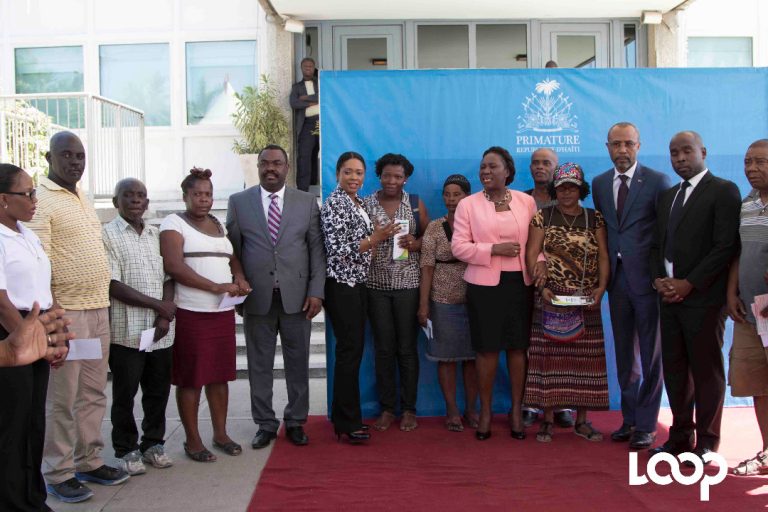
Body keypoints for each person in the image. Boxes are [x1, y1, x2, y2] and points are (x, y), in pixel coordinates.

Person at [27, 131, 130, 503]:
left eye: (80, 156)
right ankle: (58, 471)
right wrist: (53, 317)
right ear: (50, 157)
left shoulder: (80, 196)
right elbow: (41, 260)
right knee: (62, 397)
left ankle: (89, 460)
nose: (75, 162)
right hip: (66, 313)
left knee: (92, 392)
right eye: (67, 155)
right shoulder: (43, 201)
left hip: (96, 309)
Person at [649, 131, 741, 464]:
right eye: (674, 153)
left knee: (706, 371)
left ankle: (708, 442)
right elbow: (658, 245)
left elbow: (725, 247)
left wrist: (689, 284)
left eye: (687, 151)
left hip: (703, 299)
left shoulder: (723, 191)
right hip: (668, 298)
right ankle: (679, 436)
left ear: (703, 151)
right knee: (674, 371)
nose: (680, 158)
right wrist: (660, 280)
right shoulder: (667, 196)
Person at [226, 144, 325, 449]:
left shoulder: (307, 202)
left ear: (287, 167)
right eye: (265, 163)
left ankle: (296, 421)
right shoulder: (239, 202)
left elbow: (317, 251)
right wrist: (239, 284)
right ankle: (265, 424)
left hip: (297, 299)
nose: (271, 168)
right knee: (259, 364)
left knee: (298, 363)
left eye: (277, 163)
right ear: (257, 167)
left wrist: (316, 292)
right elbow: (233, 250)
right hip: (257, 298)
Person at [160, 168, 250, 463]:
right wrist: (214, 286)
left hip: (221, 313)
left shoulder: (217, 224)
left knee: (219, 376)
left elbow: (233, 258)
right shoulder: (174, 223)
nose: (203, 199)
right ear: (185, 196)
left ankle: (220, 434)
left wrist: (239, 279)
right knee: (191, 378)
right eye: (197, 194)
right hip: (191, 313)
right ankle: (193, 439)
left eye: (208, 194)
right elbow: (174, 266)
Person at [592, 122, 670, 450]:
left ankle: (648, 424)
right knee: (625, 353)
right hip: (617, 280)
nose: (622, 150)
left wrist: (662, 274)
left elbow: (666, 232)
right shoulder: (598, 184)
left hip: (648, 280)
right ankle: (629, 418)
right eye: (616, 144)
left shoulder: (657, 181)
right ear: (607, 147)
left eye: (628, 144)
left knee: (652, 355)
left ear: (638, 146)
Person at [452, 146, 538, 441]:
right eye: (482, 167)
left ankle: (516, 411)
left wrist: (540, 268)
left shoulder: (526, 202)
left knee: (517, 348)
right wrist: (493, 249)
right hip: (483, 287)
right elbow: (459, 247)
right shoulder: (468, 205)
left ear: (508, 171)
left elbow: (534, 246)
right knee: (487, 349)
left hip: (520, 285)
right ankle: (486, 412)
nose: (485, 172)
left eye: (492, 167)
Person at [524, 162, 610, 443]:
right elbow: (531, 253)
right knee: (548, 361)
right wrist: (543, 287)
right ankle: (547, 420)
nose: (566, 193)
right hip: (550, 296)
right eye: (561, 188)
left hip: (586, 299)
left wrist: (600, 289)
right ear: (554, 190)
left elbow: (603, 257)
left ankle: (582, 421)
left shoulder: (594, 218)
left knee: (586, 364)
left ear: (581, 189)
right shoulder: (542, 217)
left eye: (572, 187)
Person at [0, 162, 69, 512]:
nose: (34, 199)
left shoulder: (28, 235)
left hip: (37, 330)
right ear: (2, 199)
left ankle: (33, 496)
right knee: (11, 425)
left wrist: (55, 339)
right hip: (11, 332)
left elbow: (45, 288)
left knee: (33, 421)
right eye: (26, 193)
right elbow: (1, 302)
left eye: (34, 192)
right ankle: (12, 502)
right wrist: (29, 343)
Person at [321, 152, 396, 443]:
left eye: (359, 173)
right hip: (342, 285)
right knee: (348, 353)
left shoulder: (360, 202)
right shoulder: (334, 203)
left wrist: (381, 239)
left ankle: (348, 418)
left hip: (359, 283)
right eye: (349, 172)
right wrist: (376, 239)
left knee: (352, 352)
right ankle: (346, 422)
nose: (354, 178)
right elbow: (339, 249)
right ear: (337, 173)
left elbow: (364, 244)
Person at [103, 178, 176, 475]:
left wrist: (164, 315)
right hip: (127, 332)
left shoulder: (154, 235)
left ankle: (153, 444)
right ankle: (125, 449)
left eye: (141, 196)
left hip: (159, 334)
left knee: (157, 392)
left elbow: (168, 278)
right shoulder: (106, 235)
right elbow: (113, 284)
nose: (135, 200)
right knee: (125, 394)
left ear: (147, 202)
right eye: (128, 195)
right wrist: (158, 306)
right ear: (115, 201)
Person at [365, 153, 430, 432]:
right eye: (387, 175)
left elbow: (430, 237)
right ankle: (387, 408)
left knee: (406, 349)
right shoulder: (366, 204)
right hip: (375, 286)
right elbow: (357, 240)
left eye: (398, 176)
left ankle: (409, 409)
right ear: (379, 175)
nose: (392, 181)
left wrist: (416, 244)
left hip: (408, 286)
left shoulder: (414, 204)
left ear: (406, 179)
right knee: (383, 350)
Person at [418, 174, 479, 432]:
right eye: (447, 194)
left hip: (476, 301)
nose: (452, 199)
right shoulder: (434, 227)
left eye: (457, 194)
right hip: (442, 301)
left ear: (468, 196)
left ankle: (472, 410)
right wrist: (423, 305)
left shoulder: (479, 225)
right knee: (446, 359)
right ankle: (452, 409)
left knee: (473, 359)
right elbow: (427, 268)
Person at [521, 148, 574, 429]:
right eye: (536, 163)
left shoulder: (567, 199)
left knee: (561, 342)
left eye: (546, 163)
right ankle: (530, 402)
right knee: (530, 343)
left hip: (563, 282)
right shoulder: (519, 200)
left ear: (556, 168)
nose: (540, 167)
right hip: (526, 280)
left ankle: (562, 403)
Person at [728, 139, 768, 476]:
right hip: (749, 313)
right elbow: (738, 253)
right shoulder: (747, 203)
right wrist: (731, 293)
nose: (751, 169)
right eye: (747, 161)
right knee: (756, 385)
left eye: (760, 162)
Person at [289, 57, 320, 192]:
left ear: (314, 68)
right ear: (301, 69)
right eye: (305, 66)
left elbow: (322, 96)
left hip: (321, 124)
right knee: (305, 156)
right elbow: (294, 103)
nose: (308, 69)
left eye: (310, 66)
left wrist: (305, 98)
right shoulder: (296, 87)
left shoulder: (320, 83)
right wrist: (311, 102)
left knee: (318, 155)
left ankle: (315, 185)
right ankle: (303, 190)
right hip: (307, 125)